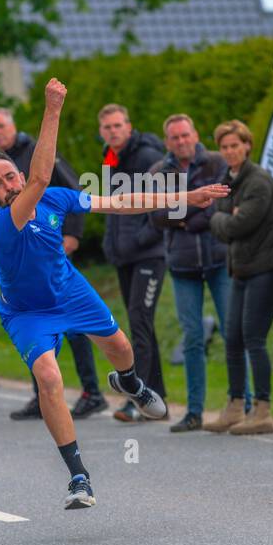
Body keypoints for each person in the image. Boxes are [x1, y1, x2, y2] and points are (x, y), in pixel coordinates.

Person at [0, 78, 229, 509]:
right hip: (27, 313)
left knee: (121, 347)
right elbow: (40, 175)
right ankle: (79, 476)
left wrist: (187, 196)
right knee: (49, 376)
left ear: (16, 174)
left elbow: (121, 202)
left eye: (9, 177)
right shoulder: (0, 224)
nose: (7, 187)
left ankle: (129, 382)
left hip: (69, 290)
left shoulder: (55, 198)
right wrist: (53, 109)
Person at [0, 105, 107, 419]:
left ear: (12, 126)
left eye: (1, 126)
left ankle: (92, 390)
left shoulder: (34, 153)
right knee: (32, 322)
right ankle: (43, 395)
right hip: (24, 258)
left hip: (54, 247)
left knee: (74, 323)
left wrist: (72, 238)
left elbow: (71, 191)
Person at [205, 119, 273, 436]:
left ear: (247, 145)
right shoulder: (227, 178)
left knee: (253, 337)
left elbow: (237, 226)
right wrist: (224, 217)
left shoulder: (258, 181)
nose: (229, 151)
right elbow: (219, 217)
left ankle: (262, 409)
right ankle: (236, 404)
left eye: (235, 145)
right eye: (224, 146)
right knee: (232, 337)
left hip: (266, 267)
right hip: (240, 268)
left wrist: (222, 218)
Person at [150, 113, 229, 432]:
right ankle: (195, 410)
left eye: (185, 135)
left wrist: (186, 216)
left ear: (195, 134)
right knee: (193, 337)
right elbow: (156, 214)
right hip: (182, 265)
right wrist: (199, 209)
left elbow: (223, 203)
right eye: (175, 137)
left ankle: (245, 403)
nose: (181, 142)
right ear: (167, 141)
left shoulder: (217, 162)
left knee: (233, 330)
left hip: (220, 258)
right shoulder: (158, 171)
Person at [97, 103, 167, 421]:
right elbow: (113, 204)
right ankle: (159, 398)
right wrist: (113, 243)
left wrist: (140, 238)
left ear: (129, 125)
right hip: (124, 255)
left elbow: (164, 206)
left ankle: (138, 398)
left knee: (138, 322)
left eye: (117, 125)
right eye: (107, 127)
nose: (113, 131)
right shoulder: (110, 157)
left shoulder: (148, 156)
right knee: (141, 324)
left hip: (148, 254)